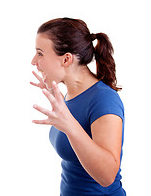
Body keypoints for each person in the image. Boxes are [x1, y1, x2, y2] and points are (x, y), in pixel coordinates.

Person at [30, 18, 126, 195]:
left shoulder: (104, 99)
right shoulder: (69, 94)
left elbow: (107, 176)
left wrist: (70, 126)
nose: (33, 61)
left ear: (66, 59)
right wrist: (53, 94)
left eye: (40, 53)